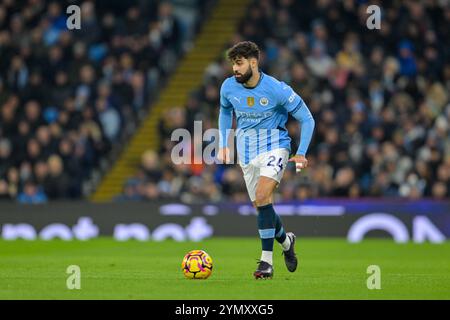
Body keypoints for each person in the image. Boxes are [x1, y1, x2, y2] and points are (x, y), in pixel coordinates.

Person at [217, 41, 315, 279]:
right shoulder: (229, 87)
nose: (235, 69)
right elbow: (224, 111)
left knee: (262, 196)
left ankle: (266, 263)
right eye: (233, 64)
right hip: (246, 152)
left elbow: (307, 119)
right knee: (263, 206)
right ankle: (286, 242)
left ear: (253, 62)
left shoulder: (276, 89)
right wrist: (223, 144)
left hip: (275, 147)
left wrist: (301, 152)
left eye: (239, 63)